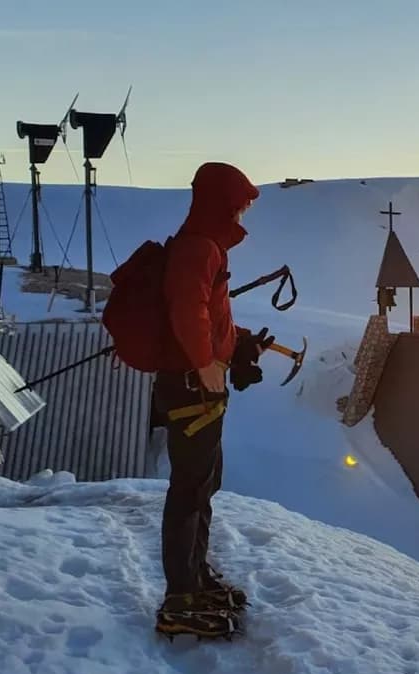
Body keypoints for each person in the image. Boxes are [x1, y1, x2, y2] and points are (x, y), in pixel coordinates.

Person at [153, 162, 270, 634]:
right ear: (222, 204)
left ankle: (194, 576)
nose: (243, 215)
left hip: (199, 386)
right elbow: (188, 311)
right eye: (239, 206)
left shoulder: (206, 246)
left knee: (203, 484)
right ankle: (180, 600)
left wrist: (238, 344)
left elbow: (211, 316)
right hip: (191, 388)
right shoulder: (199, 248)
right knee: (189, 490)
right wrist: (206, 363)